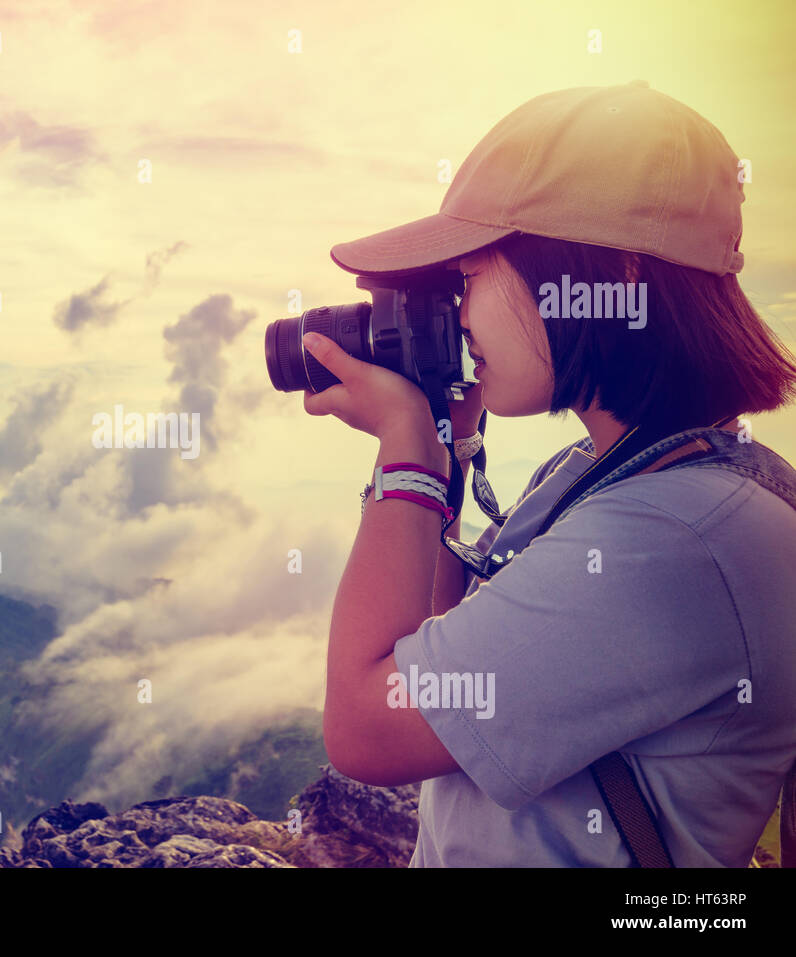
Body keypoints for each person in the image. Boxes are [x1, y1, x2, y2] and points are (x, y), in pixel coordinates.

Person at [309, 81, 796, 866]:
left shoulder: (677, 538)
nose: (458, 315)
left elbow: (367, 726)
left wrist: (402, 450)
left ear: (614, 278)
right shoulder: (609, 475)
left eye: (469, 278)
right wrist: (441, 443)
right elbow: (432, 646)